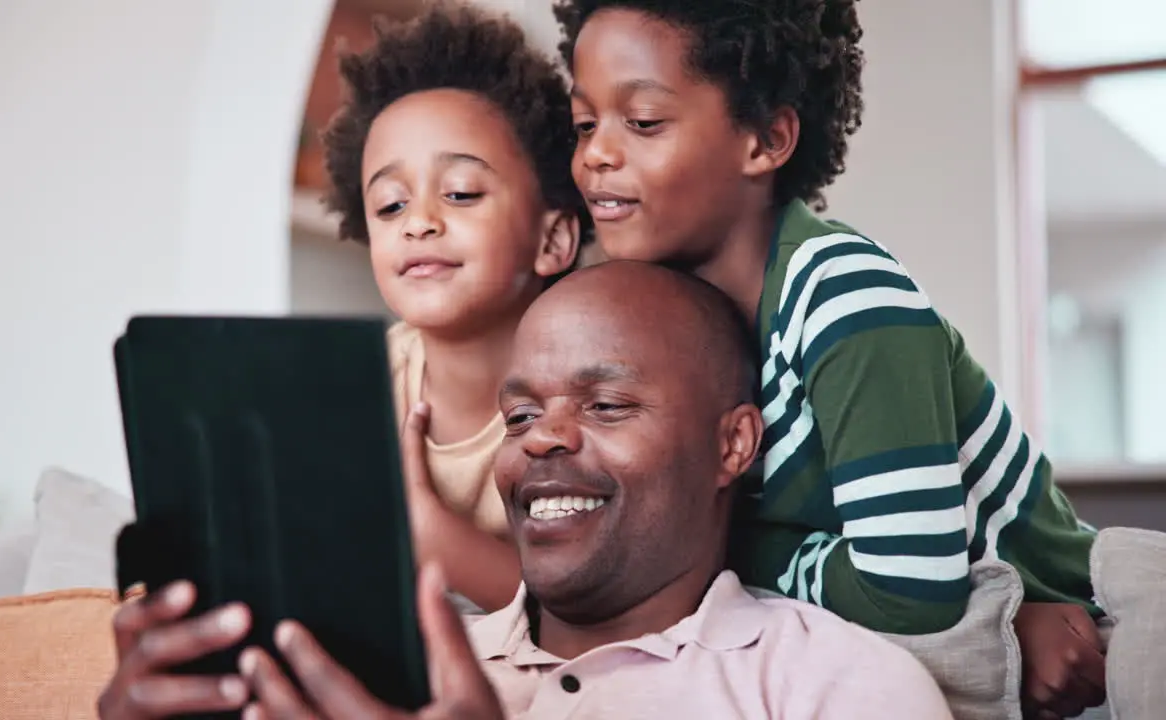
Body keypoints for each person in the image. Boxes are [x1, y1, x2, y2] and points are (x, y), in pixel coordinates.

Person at [552, 1, 1112, 716]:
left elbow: (907, 591)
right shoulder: (670, 321)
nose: (596, 152)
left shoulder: (845, 294)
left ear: (767, 138)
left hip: (1082, 653)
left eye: (644, 122)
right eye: (584, 124)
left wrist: (721, 553)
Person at [96, 260, 953, 720]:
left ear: (732, 444)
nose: (541, 437)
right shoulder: (377, 670)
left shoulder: (832, 682)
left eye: (607, 403)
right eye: (518, 417)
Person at [319, 2, 589, 611]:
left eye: (460, 193)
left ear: (551, 239)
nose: (419, 222)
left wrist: (428, 530)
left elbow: (580, 608)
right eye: (390, 205)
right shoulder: (363, 388)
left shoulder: (589, 396)